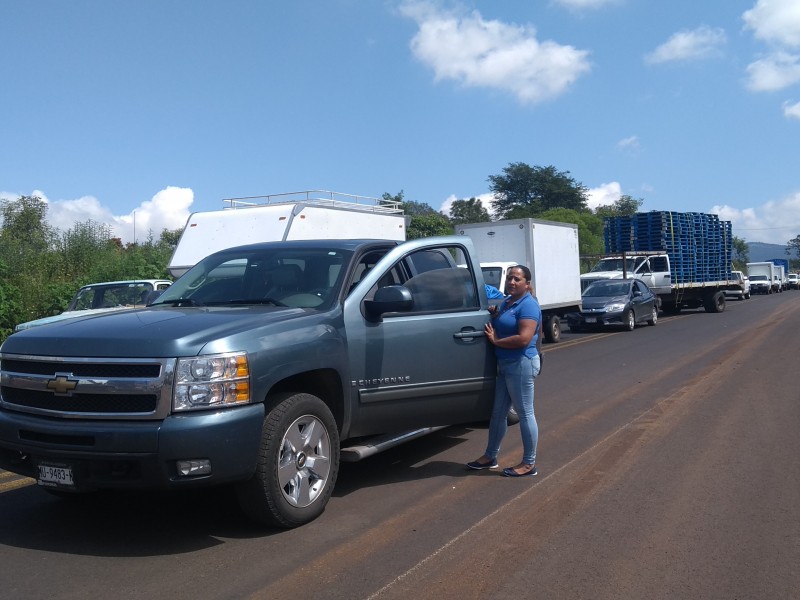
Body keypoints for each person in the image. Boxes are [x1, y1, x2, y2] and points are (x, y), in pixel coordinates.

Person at [467, 265, 542, 477]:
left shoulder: (528, 305)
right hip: (505, 365)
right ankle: (490, 456)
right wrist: (494, 313)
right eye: (509, 278)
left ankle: (529, 464)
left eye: (517, 279)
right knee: (498, 413)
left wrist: (496, 340)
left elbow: (524, 338)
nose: (511, 282)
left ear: (527, 283)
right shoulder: (508, 302)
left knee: (525, 413)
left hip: (521, 364)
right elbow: (504, 320)